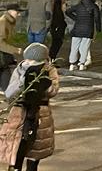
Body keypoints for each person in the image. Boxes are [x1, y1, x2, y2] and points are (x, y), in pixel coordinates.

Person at [0, 42, 59, 171]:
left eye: (33, 61)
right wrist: (22, 81)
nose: (29, 63)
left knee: (35, 148)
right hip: (19, 112)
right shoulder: (20, 69)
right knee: (16, 146)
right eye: (28, 60)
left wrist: (45, 84)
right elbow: (10, 93)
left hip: (41, 113)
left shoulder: (49, 70)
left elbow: (53, 91)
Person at [65, 0, 101, 72]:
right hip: (88, 30)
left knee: (74, 47)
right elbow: (97, 18)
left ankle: (72, 64)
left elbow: (67, 12)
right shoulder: (94, 6)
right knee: (84, 47)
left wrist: (75, 18)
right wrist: (98, 29)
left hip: (77, 29)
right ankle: (81, 64)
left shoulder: (78, 6)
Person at [1, 4, 23, 91]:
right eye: (17, 12)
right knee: (5, 72)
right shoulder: (3, 22)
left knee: (5, 73)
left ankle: (7, 93)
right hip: (2, 54)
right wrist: (15, 50)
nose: (19, 15)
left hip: (4, 55)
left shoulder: (8, 21)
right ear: (10, 11)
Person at [47, 0, 66, 64]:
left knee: (57, 43)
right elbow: (58, 18)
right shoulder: (57, 7)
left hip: (58, 27)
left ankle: (52, 58)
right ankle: (51, 58)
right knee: (56, 44)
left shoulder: (59, 6)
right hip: (57, 28)